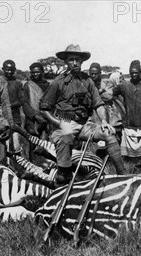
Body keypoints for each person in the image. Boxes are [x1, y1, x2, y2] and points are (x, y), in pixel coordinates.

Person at [40, 44, 126, 184]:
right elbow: (44, 108)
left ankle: (122, 176)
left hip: (85, 124)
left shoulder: (87, 80)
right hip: (65, 121)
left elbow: (98, 104)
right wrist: (58, 124)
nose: (75, 63)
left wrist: (104, 121)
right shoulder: (58, 82)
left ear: (82, 61)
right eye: (71, 59)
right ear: (66, 62)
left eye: (77, 60)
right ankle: (63, 177)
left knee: (109, 134)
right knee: (65, 139)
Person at [113, 60, 141, 162]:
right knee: (128, 153)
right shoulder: (124, 85)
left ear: (140, 72)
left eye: (136, 72)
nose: (134, 75)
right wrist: (121, 106)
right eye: (131, 73)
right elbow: (112, 93)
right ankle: (129, 166)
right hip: (129, 122)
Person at [2, 59, 28, 158]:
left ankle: (17, 165)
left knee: (15, 143)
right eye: (7, 69)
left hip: (14, 117)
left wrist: (9, 105)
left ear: (15, 70)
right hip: (0, 116)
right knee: (3, 143)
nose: (9, 72)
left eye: (11, 70)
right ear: (3, 69)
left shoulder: (18, 83)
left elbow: (21, 100)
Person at [22, 62, 49, 139]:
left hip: (46, 118)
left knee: (45, 145)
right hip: (32, 120)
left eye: (37, 72)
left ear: (42, 72)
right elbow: (25, 103)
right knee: (32, 142)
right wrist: (35, 116)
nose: (35, 74)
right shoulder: (27, 85)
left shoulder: (48, 85)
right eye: (33, 72)